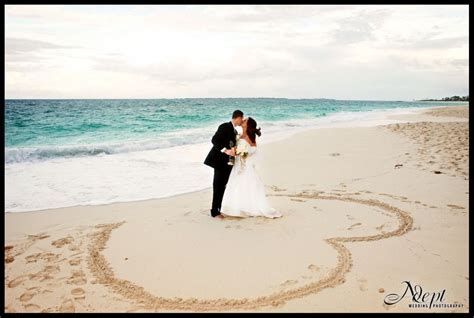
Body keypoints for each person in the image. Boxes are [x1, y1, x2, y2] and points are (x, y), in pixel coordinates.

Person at [220, 117, 282, 218]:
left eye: (245, 121)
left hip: (244, 165)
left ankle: (244, 207)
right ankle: (240, 206)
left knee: (244, 184)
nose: (243, 120)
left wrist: (237, 152)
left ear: (247, 125)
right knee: (240, 185)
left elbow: (247, 151)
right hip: (240, 164)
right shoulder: (241, 135)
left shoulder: (248, 137)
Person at [204, 110, 244, 218]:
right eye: (242, 118)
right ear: (237, 117)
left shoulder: (234, 131)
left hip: (228, 163)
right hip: (219, 162)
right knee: (218, 186)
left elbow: (232, 146)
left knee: (223, 186)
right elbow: (214, 140)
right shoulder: (224, 126)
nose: (242, 120)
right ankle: (215, 211)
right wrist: (226, 150)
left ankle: (218, 209)